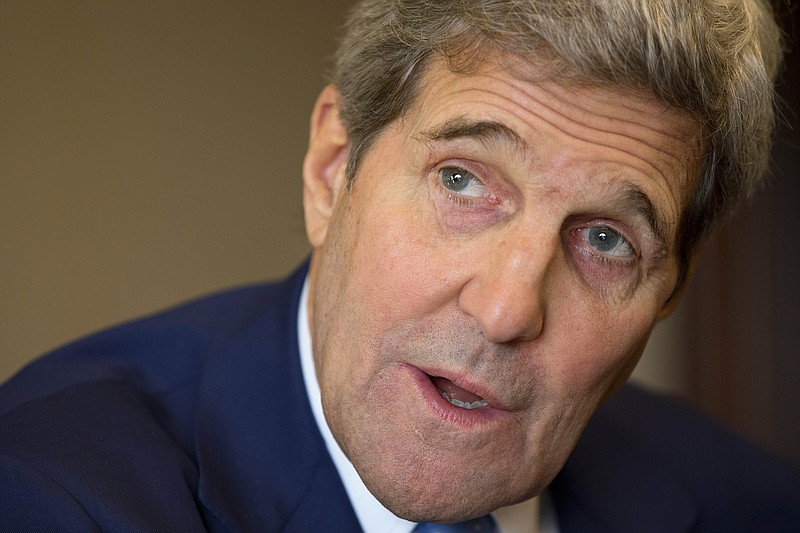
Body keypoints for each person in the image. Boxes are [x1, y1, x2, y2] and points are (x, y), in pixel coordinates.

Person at [1, 0, 798, 531]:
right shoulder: (52, 492)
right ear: (331, 168)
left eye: (605, 239)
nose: (506, 309)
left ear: (668, 294)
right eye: (463, 180)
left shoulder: (750, 503)